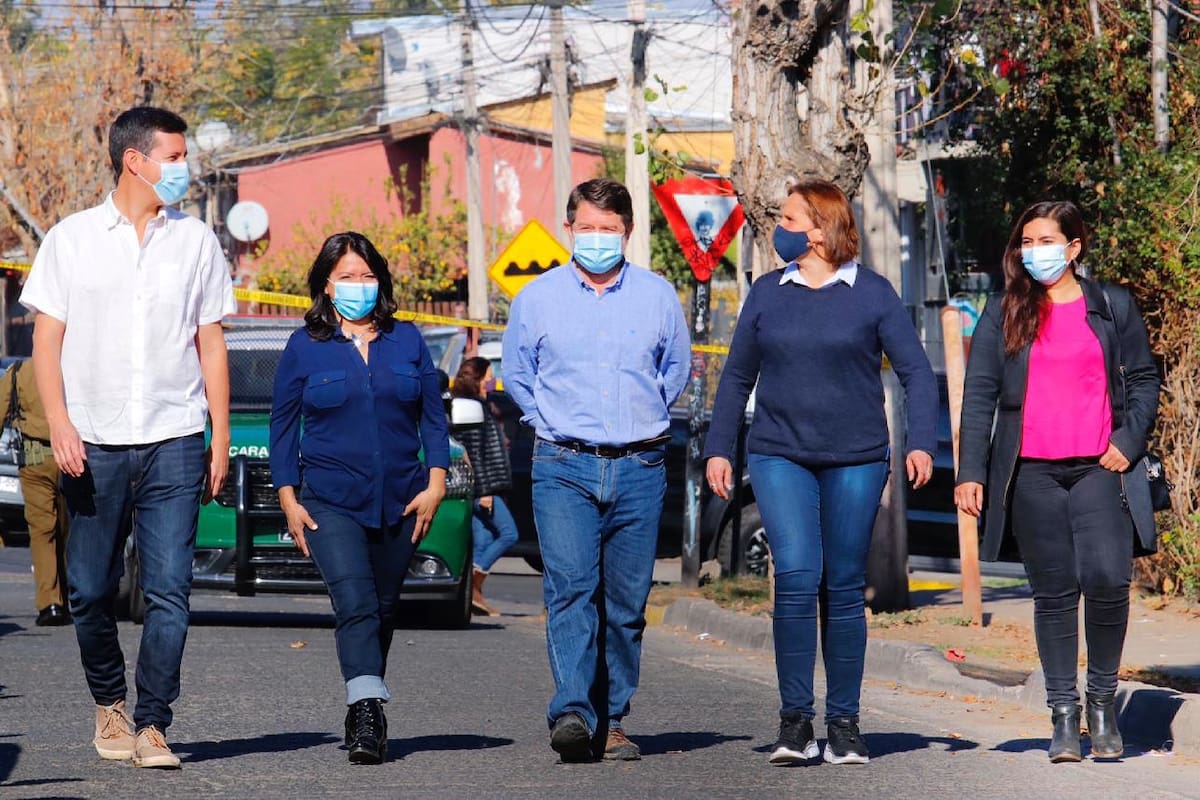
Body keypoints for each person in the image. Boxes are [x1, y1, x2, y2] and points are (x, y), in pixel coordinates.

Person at [20, 106, 235, 769]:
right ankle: (109, 702)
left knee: (170, 590)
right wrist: (59, 421)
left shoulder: (197, 241)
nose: (183, 167)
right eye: (174, 155)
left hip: (173, 437)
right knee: (88, 589)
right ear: (134, 160)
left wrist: (218, 436)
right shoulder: (72, 239)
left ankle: (152, 724)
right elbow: (46, 340)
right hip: (94, 441)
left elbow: (211, 341)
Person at [705, 178, 937, 766]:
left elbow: (915, 371)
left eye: (787, 218)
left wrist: (922, 444)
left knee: (841, 582)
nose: (778, 228)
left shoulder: (874, 294)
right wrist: (719, 449)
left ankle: (845, 723)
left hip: (857, 457)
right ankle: (794, 721)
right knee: (798, 575)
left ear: (819, 228)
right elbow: (735, 379)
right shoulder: (766, 294)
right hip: (779, 452)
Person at [954, 201, 1159, 763]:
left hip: (1100, 466)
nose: (1034, 251)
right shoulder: (1004, 311)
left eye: (1046, 240)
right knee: (1054, 594)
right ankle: (1064, 716)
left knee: (1108, 580)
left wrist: (1128, 441)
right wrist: (971, 471)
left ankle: (1102, 704)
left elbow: (1143, 379)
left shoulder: (1111, 306)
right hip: (1033, 473)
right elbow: (979, 397)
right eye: (1026, 241)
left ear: (1073, 248)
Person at [503, 177, 690, 763]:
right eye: (588, 228)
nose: (598, 238)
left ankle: (614, 718)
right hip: (563, 464)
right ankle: (575, 714)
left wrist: (640, 419)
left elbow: (675, 370)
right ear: (569, 230)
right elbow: (517, 374)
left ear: (628, 234)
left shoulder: (659, 297)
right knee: (571, 590)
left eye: (609, 230)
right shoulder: (536, 299)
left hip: (639, 463)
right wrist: (550, 422)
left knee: (627, 602)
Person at [270, 231, 449, 765]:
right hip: (329, 499)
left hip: (401, 499)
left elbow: (433, 418)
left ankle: (359, 701)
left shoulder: (408, 340)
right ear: (327, 284)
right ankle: (371, 712)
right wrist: (288, 497)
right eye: (346, 276)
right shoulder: (305, 345)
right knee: (356, 603)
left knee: (383, 609)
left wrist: (436, 482)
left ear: (381, 280)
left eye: (367, 275)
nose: (358, 286)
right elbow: (283, 428)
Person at [0, 360, 70, 626]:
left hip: (34, 461)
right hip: (74, 459)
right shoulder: (72, 366)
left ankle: (51, 603)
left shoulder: (19, 372)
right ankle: (72, 598)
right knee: (68, 530)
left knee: (43, 531)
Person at [450, 356, 517, 616]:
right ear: (478, 377)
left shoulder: (482, 405)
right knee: (508, 533)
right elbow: (475, 452)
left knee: (483, 539)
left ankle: (473, 595)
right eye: (489, 374)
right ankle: (474, 582)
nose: (492, 380)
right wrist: (485, 491)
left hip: (483, 487)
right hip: (483, 487)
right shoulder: (473, 407)